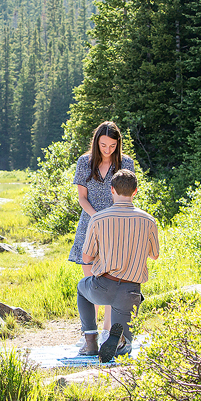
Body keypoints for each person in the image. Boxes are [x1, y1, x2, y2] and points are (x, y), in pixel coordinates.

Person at [76, 168, 159, 360]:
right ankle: (121, 341)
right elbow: (154, 255)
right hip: (131, 291)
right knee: (126, 348)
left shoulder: (98, 218)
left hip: (102, 286)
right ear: (135, 191)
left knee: (82, 289)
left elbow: (87, 258)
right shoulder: (149, 220)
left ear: (112, 190)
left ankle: (90, 341)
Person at [69, 121, 134, 341]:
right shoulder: (84, 162)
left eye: (112, 146)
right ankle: (89, 332)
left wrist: (111, 219)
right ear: (96, 142)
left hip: (117, 229)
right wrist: (98, 217)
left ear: (118, 144)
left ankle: (107, 331)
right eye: (103, 145)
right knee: (90, 284)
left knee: (110, 280)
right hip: (90, 226)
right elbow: (82, 198)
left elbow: (128, 196)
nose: (107, 150)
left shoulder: (126, 163)